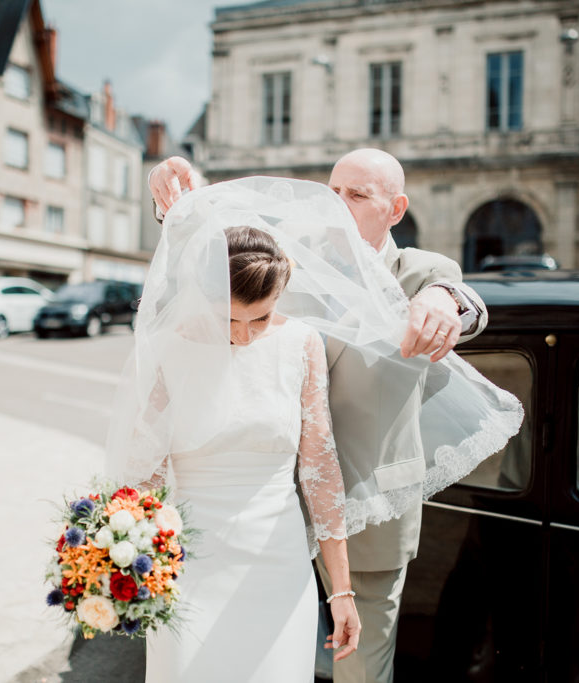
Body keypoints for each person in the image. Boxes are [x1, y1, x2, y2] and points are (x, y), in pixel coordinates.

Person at [148, 150, 492, 683]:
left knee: (360, 672)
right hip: (261, 511)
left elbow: (465, 303)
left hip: (366, 512)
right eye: (332, 191)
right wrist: (171, 202)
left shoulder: (422, 273)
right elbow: (210, 268)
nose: (337, 205)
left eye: (357, 195)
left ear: (396, 209)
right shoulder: (291, 256)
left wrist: (449, 302)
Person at [109, 223, 361, 682]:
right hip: (190, 561)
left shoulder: (302, 343)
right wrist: (125, 557)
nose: (244, 337)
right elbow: (144, 474)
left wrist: (341, 591)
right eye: (228, 321)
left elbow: (321, 471)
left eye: (260, 319)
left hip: (278, 562)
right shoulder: (167, 349)